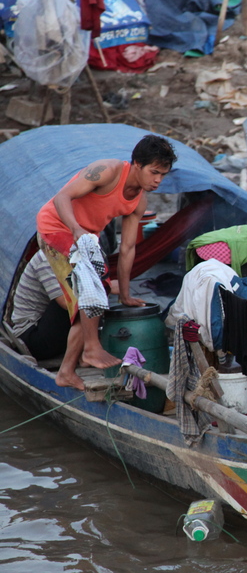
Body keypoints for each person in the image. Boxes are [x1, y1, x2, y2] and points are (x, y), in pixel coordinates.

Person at [35, 134, 176, 390]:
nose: (158, 180)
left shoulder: (139, 200)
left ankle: (66, 371)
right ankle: (91, 348)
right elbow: (61, 198)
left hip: (86, 240)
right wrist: (76, 229)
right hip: (56, 227)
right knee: (93, 287)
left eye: (163, 175)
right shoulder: (107, 171)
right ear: (136, 164)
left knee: (90, 299)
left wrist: (125, 294)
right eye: (154, 172)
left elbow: (128, 248)